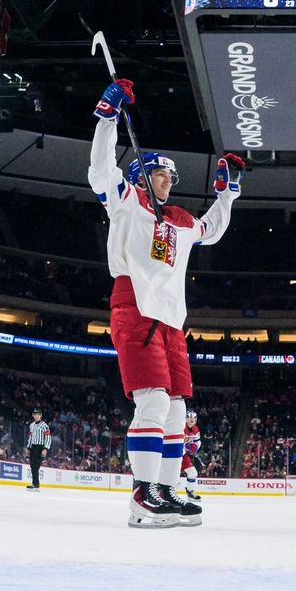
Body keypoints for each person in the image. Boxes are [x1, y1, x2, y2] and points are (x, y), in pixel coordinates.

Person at [89, 78, 242, 528]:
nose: (168, 181)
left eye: (171, 177)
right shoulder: (126, 201)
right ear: (141, 175)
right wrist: (107, 116)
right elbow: (100, 170)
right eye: (160, 174)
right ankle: (143, 495)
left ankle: (168, 492)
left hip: (172, 321)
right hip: (134, 306)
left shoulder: (178, 220)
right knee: (153, 400)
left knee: (176, 407)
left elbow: (212, 229)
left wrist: (227, 193)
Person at [26, 408, 50, 491]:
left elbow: (48, 438)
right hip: (33, 447)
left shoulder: (44, 425)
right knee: (32, 465)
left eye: (38, 414)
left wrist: (45, 448)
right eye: (35, 414)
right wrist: (28, 448)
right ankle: (35, 484)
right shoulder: (31, 425)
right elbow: (30, 437)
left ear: (40, 415)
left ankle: (35, 484)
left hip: (40, 447)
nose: (36, 416)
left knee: (36, 465)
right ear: (33, 415)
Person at [181, 410, 201, 501]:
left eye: (194, 417)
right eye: (189, 417)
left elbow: (198, 443)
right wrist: (188, 446)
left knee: (193, 473)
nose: (192, 419)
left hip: (182, 454)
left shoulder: (196, 430)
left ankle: (190, 493)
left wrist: (195, 448)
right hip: (172, 453)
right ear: (185, 419)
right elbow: (177, 442)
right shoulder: (180, 427)